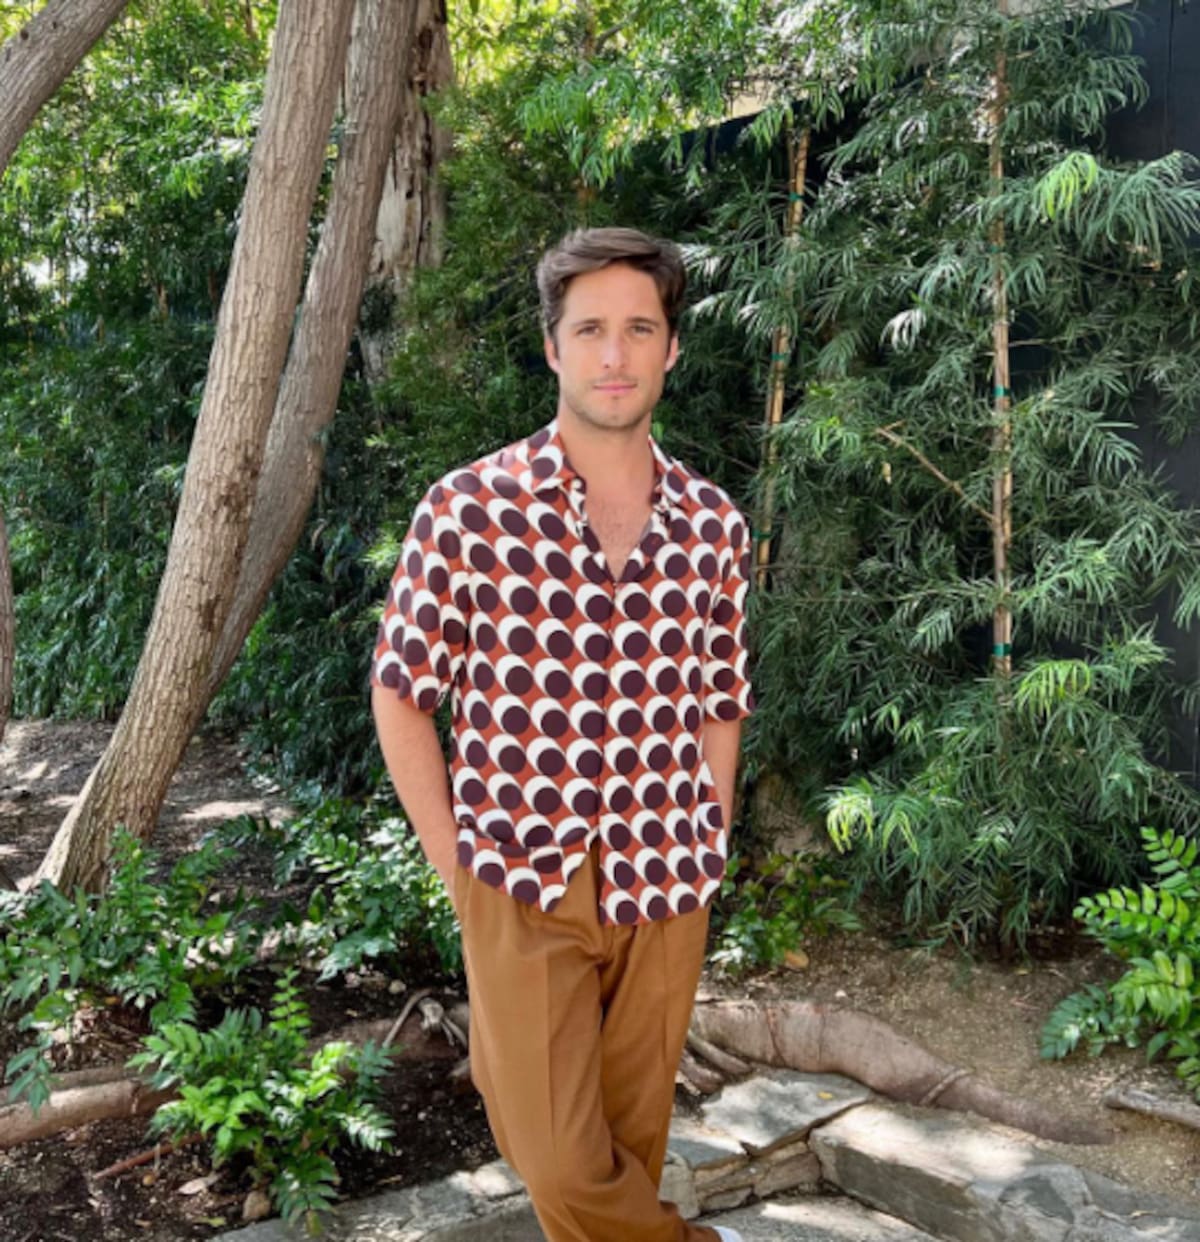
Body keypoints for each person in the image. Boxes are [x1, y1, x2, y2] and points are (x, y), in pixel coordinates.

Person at [371, 227, 754, 1242]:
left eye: (640, 329)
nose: (614, 355)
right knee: (555, 1153)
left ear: (673, 346)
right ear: (552, 347)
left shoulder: (713, 524)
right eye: (589, 330)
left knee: (629, 1148)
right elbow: (402, 695)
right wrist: (459, 870)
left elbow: (722, 699)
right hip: (520, 877)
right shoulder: (469, 511)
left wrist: (710, 842)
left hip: (667, 877)